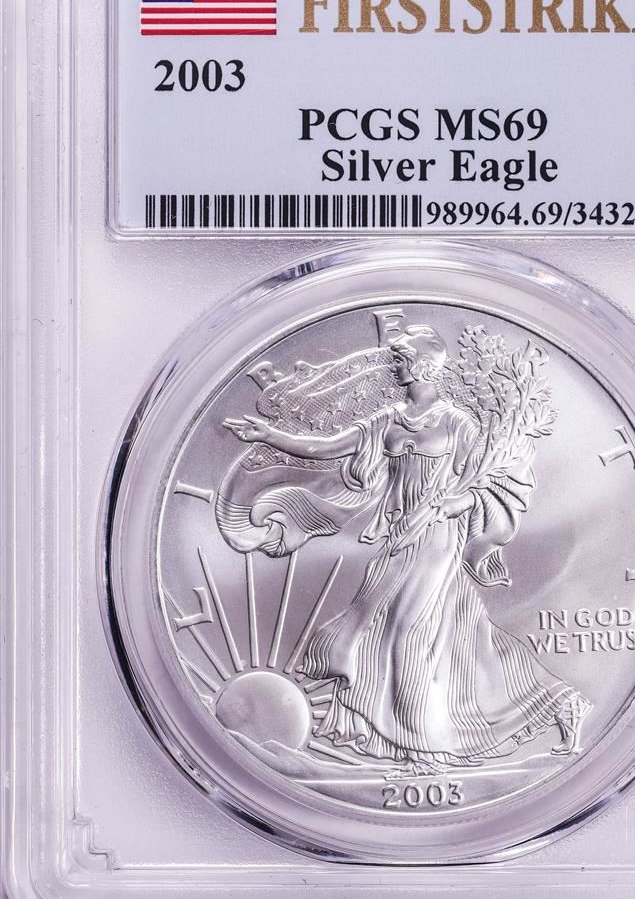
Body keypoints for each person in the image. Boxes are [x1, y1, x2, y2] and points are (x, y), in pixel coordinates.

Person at [224, 326, 590, 773]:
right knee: (423, 633)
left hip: (437, 537)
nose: (394, 365)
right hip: (399, 538)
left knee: (409, 633)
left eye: (400, 359)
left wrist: (456, 502)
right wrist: (268, 435)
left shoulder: (458, 424)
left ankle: (423, 749)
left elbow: (488, 482)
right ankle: (558, 703)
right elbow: (325, 448)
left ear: (422, 366)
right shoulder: (389, 419)